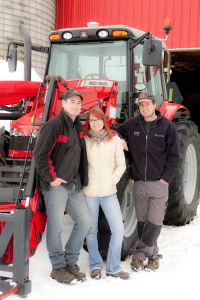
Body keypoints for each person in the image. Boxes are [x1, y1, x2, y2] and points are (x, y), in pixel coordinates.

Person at [115, 91, 180, 272]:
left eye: (147, 104)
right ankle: (153, 255)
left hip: (159, 183)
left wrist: (165, 180)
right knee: (143, 222)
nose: (144, 108)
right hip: (139, 183)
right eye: (141, 105)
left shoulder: (168, 127)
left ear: (154, 105)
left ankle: (138, 254)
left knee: (155, 221)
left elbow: (175, 157)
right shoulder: (131, 124)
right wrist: (119, 138)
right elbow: (115, 129)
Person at [34, 89, 92, 283]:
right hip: (57, 185)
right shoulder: (54, 125)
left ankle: (70, 261)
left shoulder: (77, 126)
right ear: (63, 104)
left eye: (78, 102)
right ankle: (58, 267)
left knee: (84, 222)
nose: (76, 105)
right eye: (72, 101)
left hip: (74, 185)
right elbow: (40, 155)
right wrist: (52, 178)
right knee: (56, 227)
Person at [83, 108, 130, 280]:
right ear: (88, 123)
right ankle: (95, 266)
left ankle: (113, 267)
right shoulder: (84, 140)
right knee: (91, 230)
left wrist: (113, 180)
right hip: (89, 193)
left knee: (118, 229)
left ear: (104, 121)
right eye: (91, 120)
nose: (95, 123)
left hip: (109, 192)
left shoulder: (115, 139)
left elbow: (121, 165)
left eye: (98, 120)